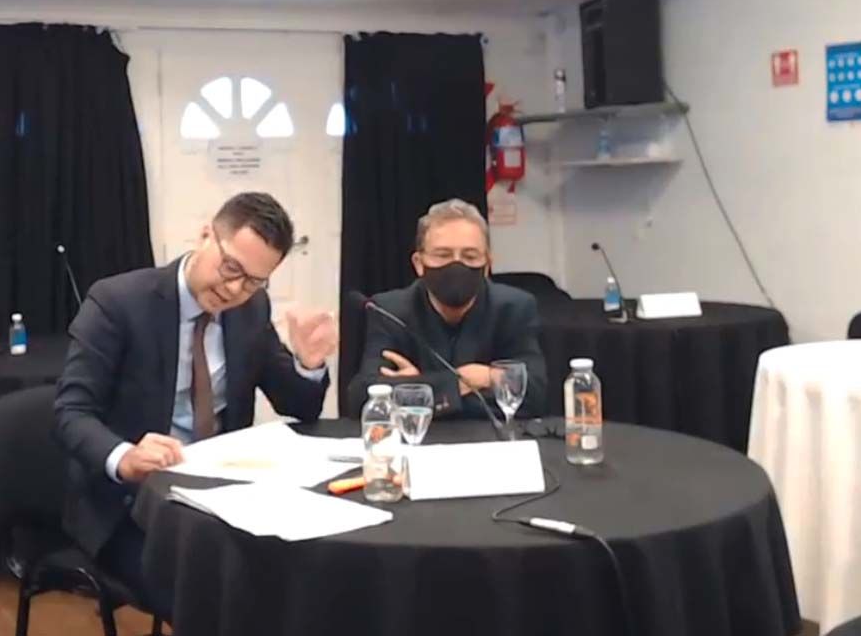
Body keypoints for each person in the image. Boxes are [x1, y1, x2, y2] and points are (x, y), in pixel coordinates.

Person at [53, 191, 337, 616]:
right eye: (231, 268)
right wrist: (124, 456)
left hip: (223, 497)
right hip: (131, 506)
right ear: (206, 235)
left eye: (254, 281)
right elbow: (71, 412)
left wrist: (310, 364)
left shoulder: (250, 308)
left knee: (299, 578)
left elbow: (298, 405)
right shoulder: (118, 302)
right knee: (213, 598)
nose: (235, 289)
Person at [346, 198, 548, 421]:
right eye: (443, 255)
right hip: (420, 440)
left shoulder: (514, 308)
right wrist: (477, 379)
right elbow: (362, 398)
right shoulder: (390, 310)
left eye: (470, 256)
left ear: (487, 264)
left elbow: (535, 396)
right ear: (419, 263)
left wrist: (416, 388)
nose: (456, 265)